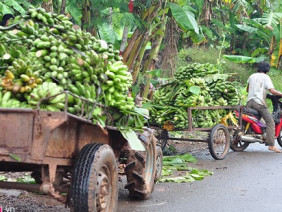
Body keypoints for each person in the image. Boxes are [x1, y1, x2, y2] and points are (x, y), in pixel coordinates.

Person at [246, 61, 282, 153]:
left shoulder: (252, 76)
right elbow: (273, 91)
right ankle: (271, 145)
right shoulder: (266, 77)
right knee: (270, 122)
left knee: (259, 120)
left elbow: (247, 90)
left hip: (249, 102)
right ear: (267, 69)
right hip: (258, 103)